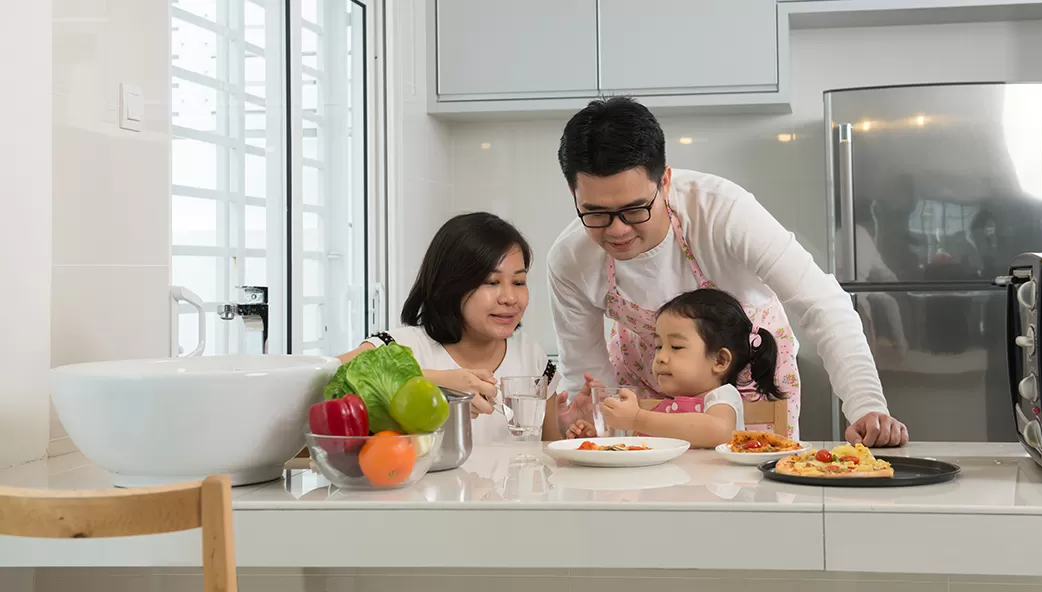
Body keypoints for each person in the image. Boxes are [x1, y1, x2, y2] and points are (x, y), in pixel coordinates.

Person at [548, 97, 909, 446]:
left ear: (665, 182)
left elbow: (820, 303)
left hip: (754, 383)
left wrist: (865, 404)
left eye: (634, 209)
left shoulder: (723, 212)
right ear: (572, 192)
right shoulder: (570, 259)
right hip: (644, 396)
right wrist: (601, 432)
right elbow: (588, 373)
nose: (617, 230)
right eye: (595, 213)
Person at [338, 212, 589, 444]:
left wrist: (566, 429)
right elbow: (323, 377)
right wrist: (437, 382)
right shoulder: (398, 347)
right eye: (492, 282)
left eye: (519, 282)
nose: (510, 298)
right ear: (451, 285)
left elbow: (546, 456)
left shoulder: (530, 355)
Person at [597, 288, 782, 448]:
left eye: (676, 347)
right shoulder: (663, 406)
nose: (660, 357)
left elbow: (718, 431)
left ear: (720, 360)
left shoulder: (723, 396)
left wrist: (638, 419)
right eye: (658, 346)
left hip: (713, 486)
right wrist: (595, 434)